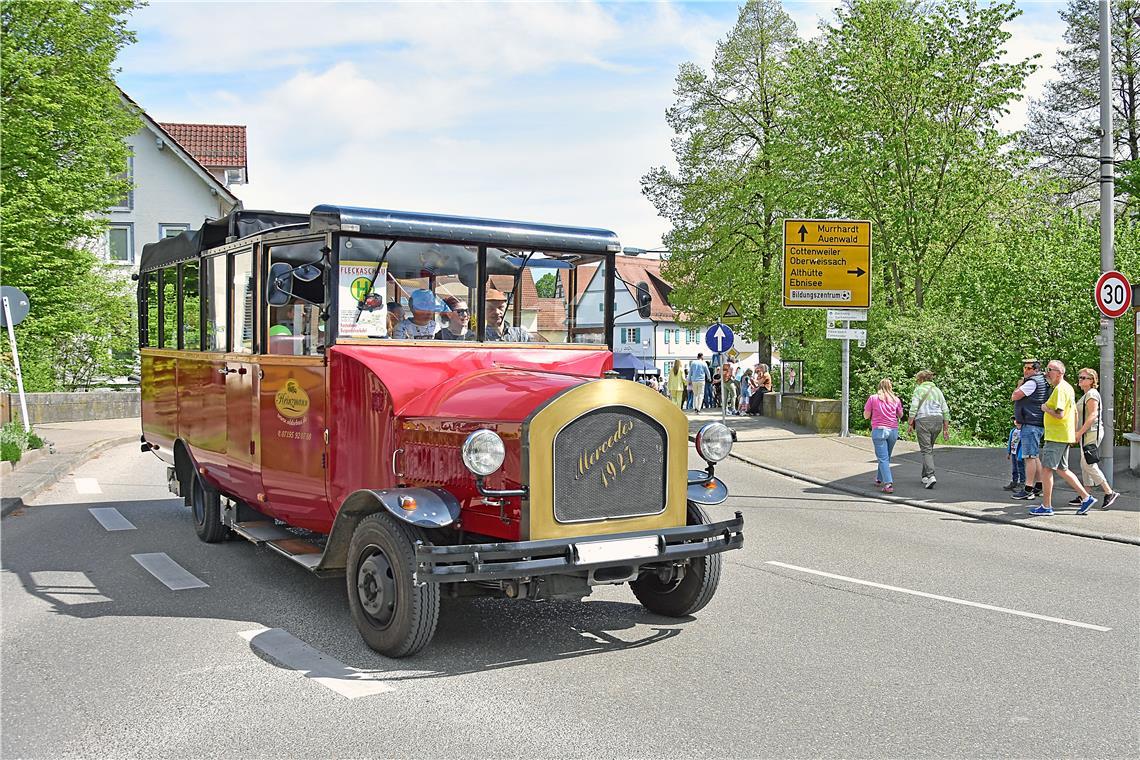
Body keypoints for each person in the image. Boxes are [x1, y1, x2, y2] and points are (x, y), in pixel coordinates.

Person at [1031, 360, 1095, 516]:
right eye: (1047, 369)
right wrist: (1072, 433)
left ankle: (1046, 506)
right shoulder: (1068, 388)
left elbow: (1059, 414)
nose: (1047, 373)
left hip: (1056, 436)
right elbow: (1073, 412)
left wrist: (1045, 407)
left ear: (1060, 372)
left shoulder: (1060, 389)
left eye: (1050, 370)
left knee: (1047, 470)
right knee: (1062, 469)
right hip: (1063, 435)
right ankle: (1086, 498)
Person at [1070, 367, 1120, 510]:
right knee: (1084, 463)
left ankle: (1109, 492)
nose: (1081, 380)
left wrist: (1079, 433)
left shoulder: (1092, 393)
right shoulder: (1086, 394)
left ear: (1092, 380)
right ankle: (1085, 495)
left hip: (1091, 432)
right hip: (1087, 433)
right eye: (1080, 377)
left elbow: (1093, 416)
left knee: (1088, 463)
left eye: (1084, 378)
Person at [1010, 359, 1048, 501]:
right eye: (1024, 368)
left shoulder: (1032, 382)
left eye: (1028, 368)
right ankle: (1039, 485)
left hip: (1031, 423)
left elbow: (1015, 396)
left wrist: (1019, 385)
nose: (1025, 371)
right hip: (1034, 422)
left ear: (1036, 369)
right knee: (1034, 455)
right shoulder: (1040, 381)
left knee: (1029, 458)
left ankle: (1028, 489)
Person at [907, 369, 950, 488]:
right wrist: (946, 428)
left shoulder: (919, 390)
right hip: (937, 421)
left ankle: (931, 476)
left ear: (921, 379)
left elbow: (914, 407)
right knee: (929, 449)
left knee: (926, 450)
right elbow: (945, 410)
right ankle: (925, 476)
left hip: (924, 421)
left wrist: (910, 423)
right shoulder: (937, 391)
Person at [864, 378, 903, 494]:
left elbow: (866, 416)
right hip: (893, 431)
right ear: (890, 387)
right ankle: (879, 479)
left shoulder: (873, 398)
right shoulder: (896, 400)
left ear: (879, 387)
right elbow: (900, 415)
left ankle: (888, 483)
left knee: (883, 458)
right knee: (886, 457)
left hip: (879, 431)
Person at [1004, 417, 1025, 492]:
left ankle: (1022, 483)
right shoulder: (1013, 431)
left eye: (1018, 419)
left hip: (1020, 454)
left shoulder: (1023, 431)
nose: (1016, 421)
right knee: (1014, 468)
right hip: (1013, 452)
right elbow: (1010, 441)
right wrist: (1009, 452)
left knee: (1021, 468)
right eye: (1015, 420)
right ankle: (1014, 481)